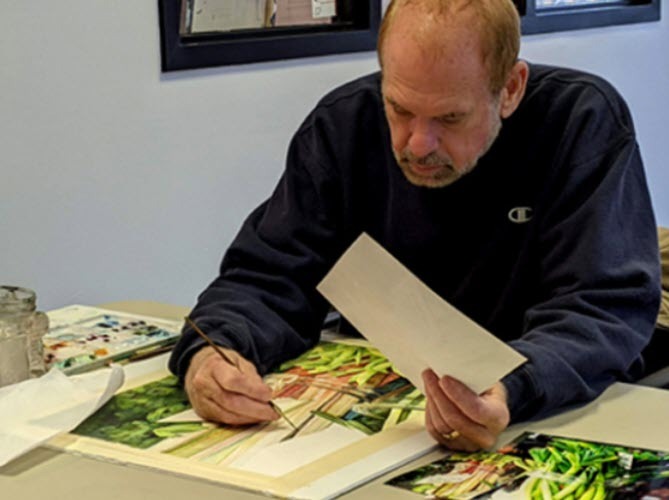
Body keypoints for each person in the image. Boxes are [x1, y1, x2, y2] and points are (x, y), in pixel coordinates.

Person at [169, 0, 661, 452]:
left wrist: (512, 388)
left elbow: (600, 306)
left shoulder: (581, 122)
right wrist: (212, 354)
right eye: (399, 109)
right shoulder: (343, 127)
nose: (418, 143)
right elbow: (269, 276)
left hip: (550, 413)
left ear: (510, 89)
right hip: (380, 430)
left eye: (450, 118)